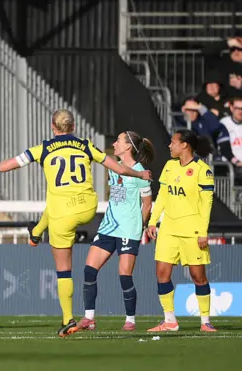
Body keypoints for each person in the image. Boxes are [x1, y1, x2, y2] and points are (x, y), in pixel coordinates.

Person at [0, 109, 151, 337]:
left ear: (53, 127)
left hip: (63, 215)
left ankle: (68, 318)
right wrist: (140, 175)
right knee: (56, 206)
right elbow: (118, 168)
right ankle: (37, 231)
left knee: (64, 270)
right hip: (88, 207)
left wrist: (26, 160)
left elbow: (3, 166)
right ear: (73, 127)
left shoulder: (44, 148)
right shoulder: (86, 145)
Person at [76, 131, 155, 332]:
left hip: (129, 229)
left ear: (128, 146)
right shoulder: (114, 166)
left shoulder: (141, 173)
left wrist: (141, 227)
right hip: (109, 226)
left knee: (125, 275)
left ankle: (130, 320)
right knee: (89, 270)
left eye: (118, 141)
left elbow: (147, 205)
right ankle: (89, 318)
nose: (114, 143)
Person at [146, 130, 217, 332]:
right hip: (168, 228)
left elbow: (206, 204)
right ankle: (169, 320)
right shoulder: (169, 166)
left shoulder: (202, 170)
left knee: (198, 276)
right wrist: (152, 221)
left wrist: (203, 231)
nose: (169, 146)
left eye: (173, 142)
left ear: (184, 145)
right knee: (162, 273)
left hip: (192, 230)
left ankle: (205, 321)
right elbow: (161, 197)